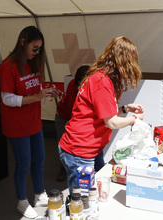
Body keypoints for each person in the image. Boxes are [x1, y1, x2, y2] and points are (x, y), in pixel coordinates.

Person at [58, 36, 144, 194]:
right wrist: (134, 120)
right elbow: (111, 122)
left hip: (90, 149)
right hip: (80, 151)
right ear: (122, 62)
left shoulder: (101, 78)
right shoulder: (101, 81)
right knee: (83, 200)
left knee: (96, 191)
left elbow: (103, 113)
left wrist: (125, 109)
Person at [0, 26, 56, 219]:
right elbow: (7, 99)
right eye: (35, 48)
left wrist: (45, 92)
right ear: (23, 42)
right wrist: (36, 96)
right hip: (17, 125)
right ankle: (22, 201)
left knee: (39, 159)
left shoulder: (33, 63)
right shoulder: (8, 66)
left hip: (34, 122)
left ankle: (39, 194)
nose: (37, 52)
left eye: (40, 48)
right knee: (24, 163)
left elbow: (34, 88)